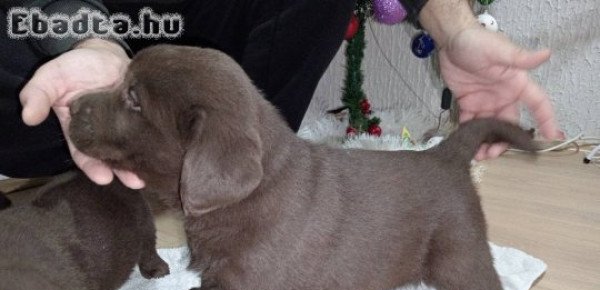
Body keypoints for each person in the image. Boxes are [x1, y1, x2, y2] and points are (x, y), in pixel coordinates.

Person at [2, 0, 563, 189]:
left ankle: (257, 182)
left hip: (182, 79)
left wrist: (457, 28)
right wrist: (88, 40)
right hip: (45, 86)